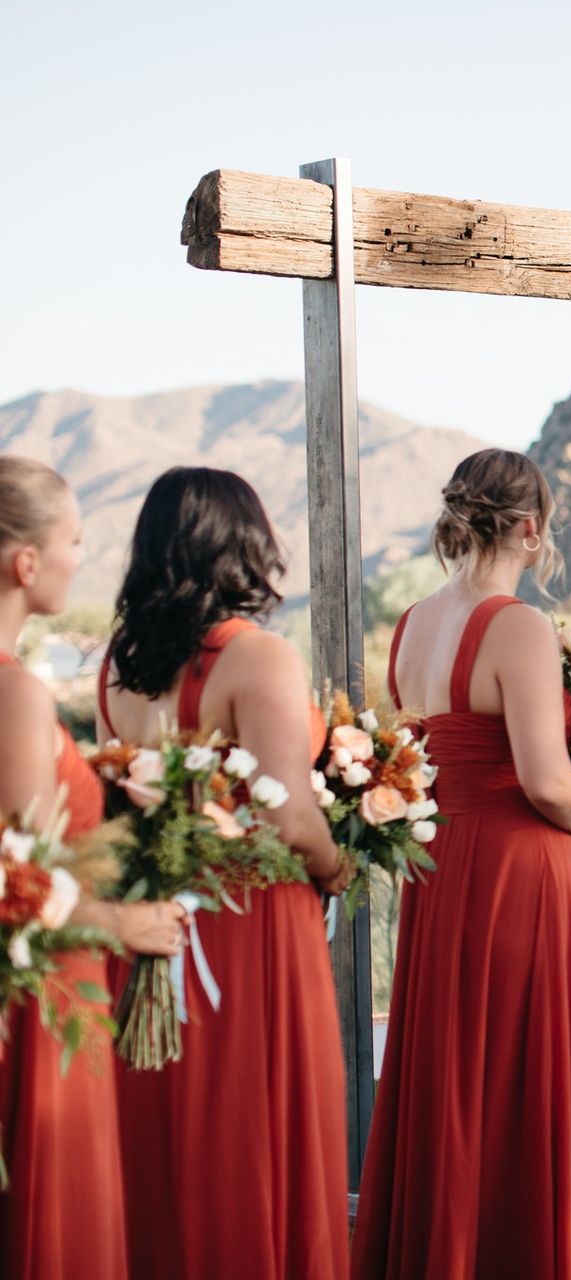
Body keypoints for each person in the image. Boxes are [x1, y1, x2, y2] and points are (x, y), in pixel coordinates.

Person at [353, 449, 571, 1278]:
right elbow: (546, 781)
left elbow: (412, 759)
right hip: (518, 871)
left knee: (453, 1067)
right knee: (519, 1071)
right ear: (531, 529)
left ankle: (448, 1250)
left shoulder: (410, 626)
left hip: (438, 869)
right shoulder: (519, 626)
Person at [97, 467, 352, 1279]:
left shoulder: (116, 667)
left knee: (170, 1136)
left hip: (151, 928)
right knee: (253, 1129)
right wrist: (340, 865)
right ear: (243, 545)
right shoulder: (256, 657)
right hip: (249, 931)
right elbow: (290, 819)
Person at [0, 457, 185, 1280]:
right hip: (48, 1001)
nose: (84, 556)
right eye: (73, 539)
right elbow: (17, 882)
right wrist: (129, 924)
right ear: (26, 563)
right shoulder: (15, 696)